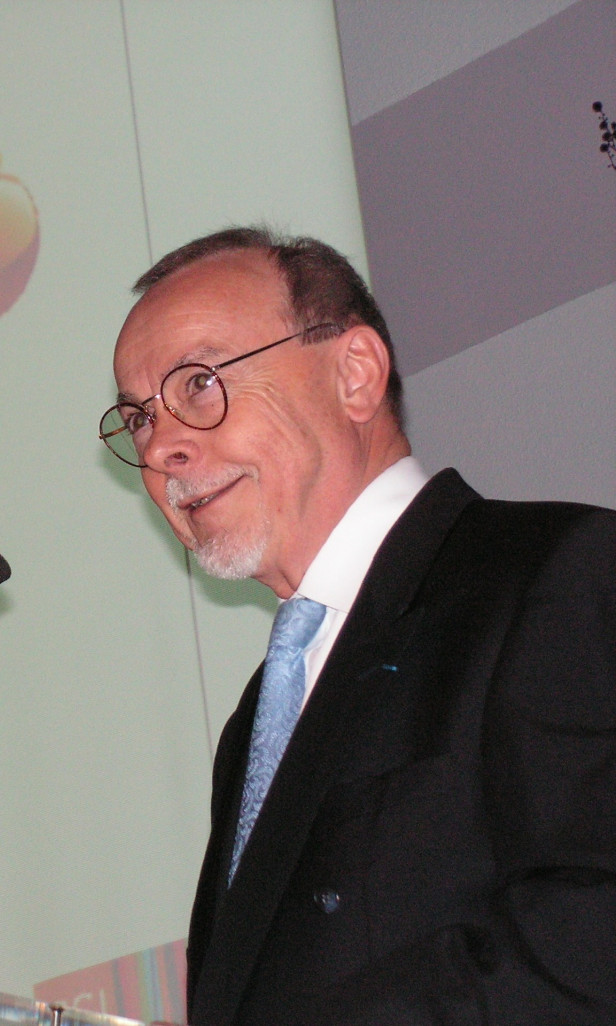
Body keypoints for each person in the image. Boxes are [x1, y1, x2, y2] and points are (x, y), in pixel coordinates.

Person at [102, 227, 616, 1025]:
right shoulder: (256, 721)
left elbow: (595, 932)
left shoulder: (555, 574)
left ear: (355, 374)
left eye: (199, 384)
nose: (163, 444)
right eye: (137, 419)